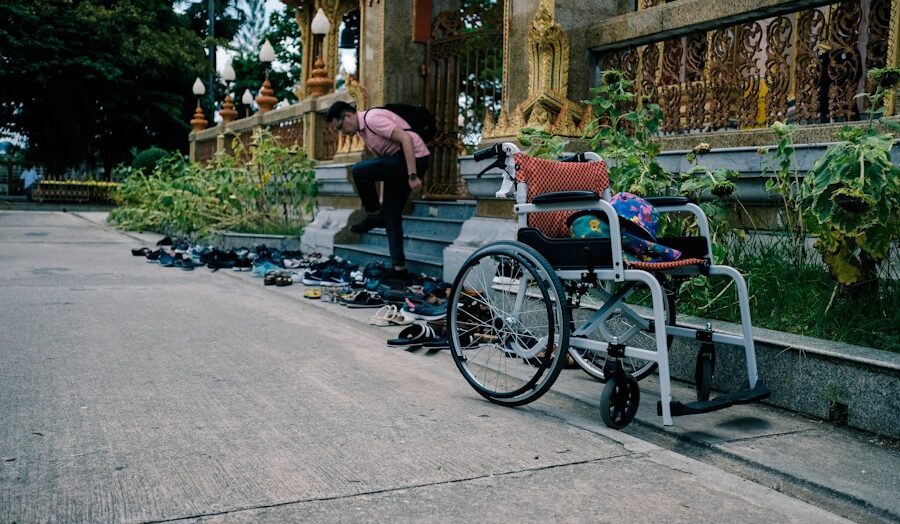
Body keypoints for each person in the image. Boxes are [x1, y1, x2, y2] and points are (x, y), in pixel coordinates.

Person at [326, 101, 430, 278]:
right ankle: (399, 269)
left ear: (349, 116)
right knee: (391, 214)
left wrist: (412, 176)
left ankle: (374, 215)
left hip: (414, 156)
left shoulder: (372, 119)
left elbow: (406, 139)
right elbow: (383, 168)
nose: (342, 133)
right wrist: (381, 198)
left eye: (340, 127)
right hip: (398, 161)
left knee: (359, 170)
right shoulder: (363, 133)